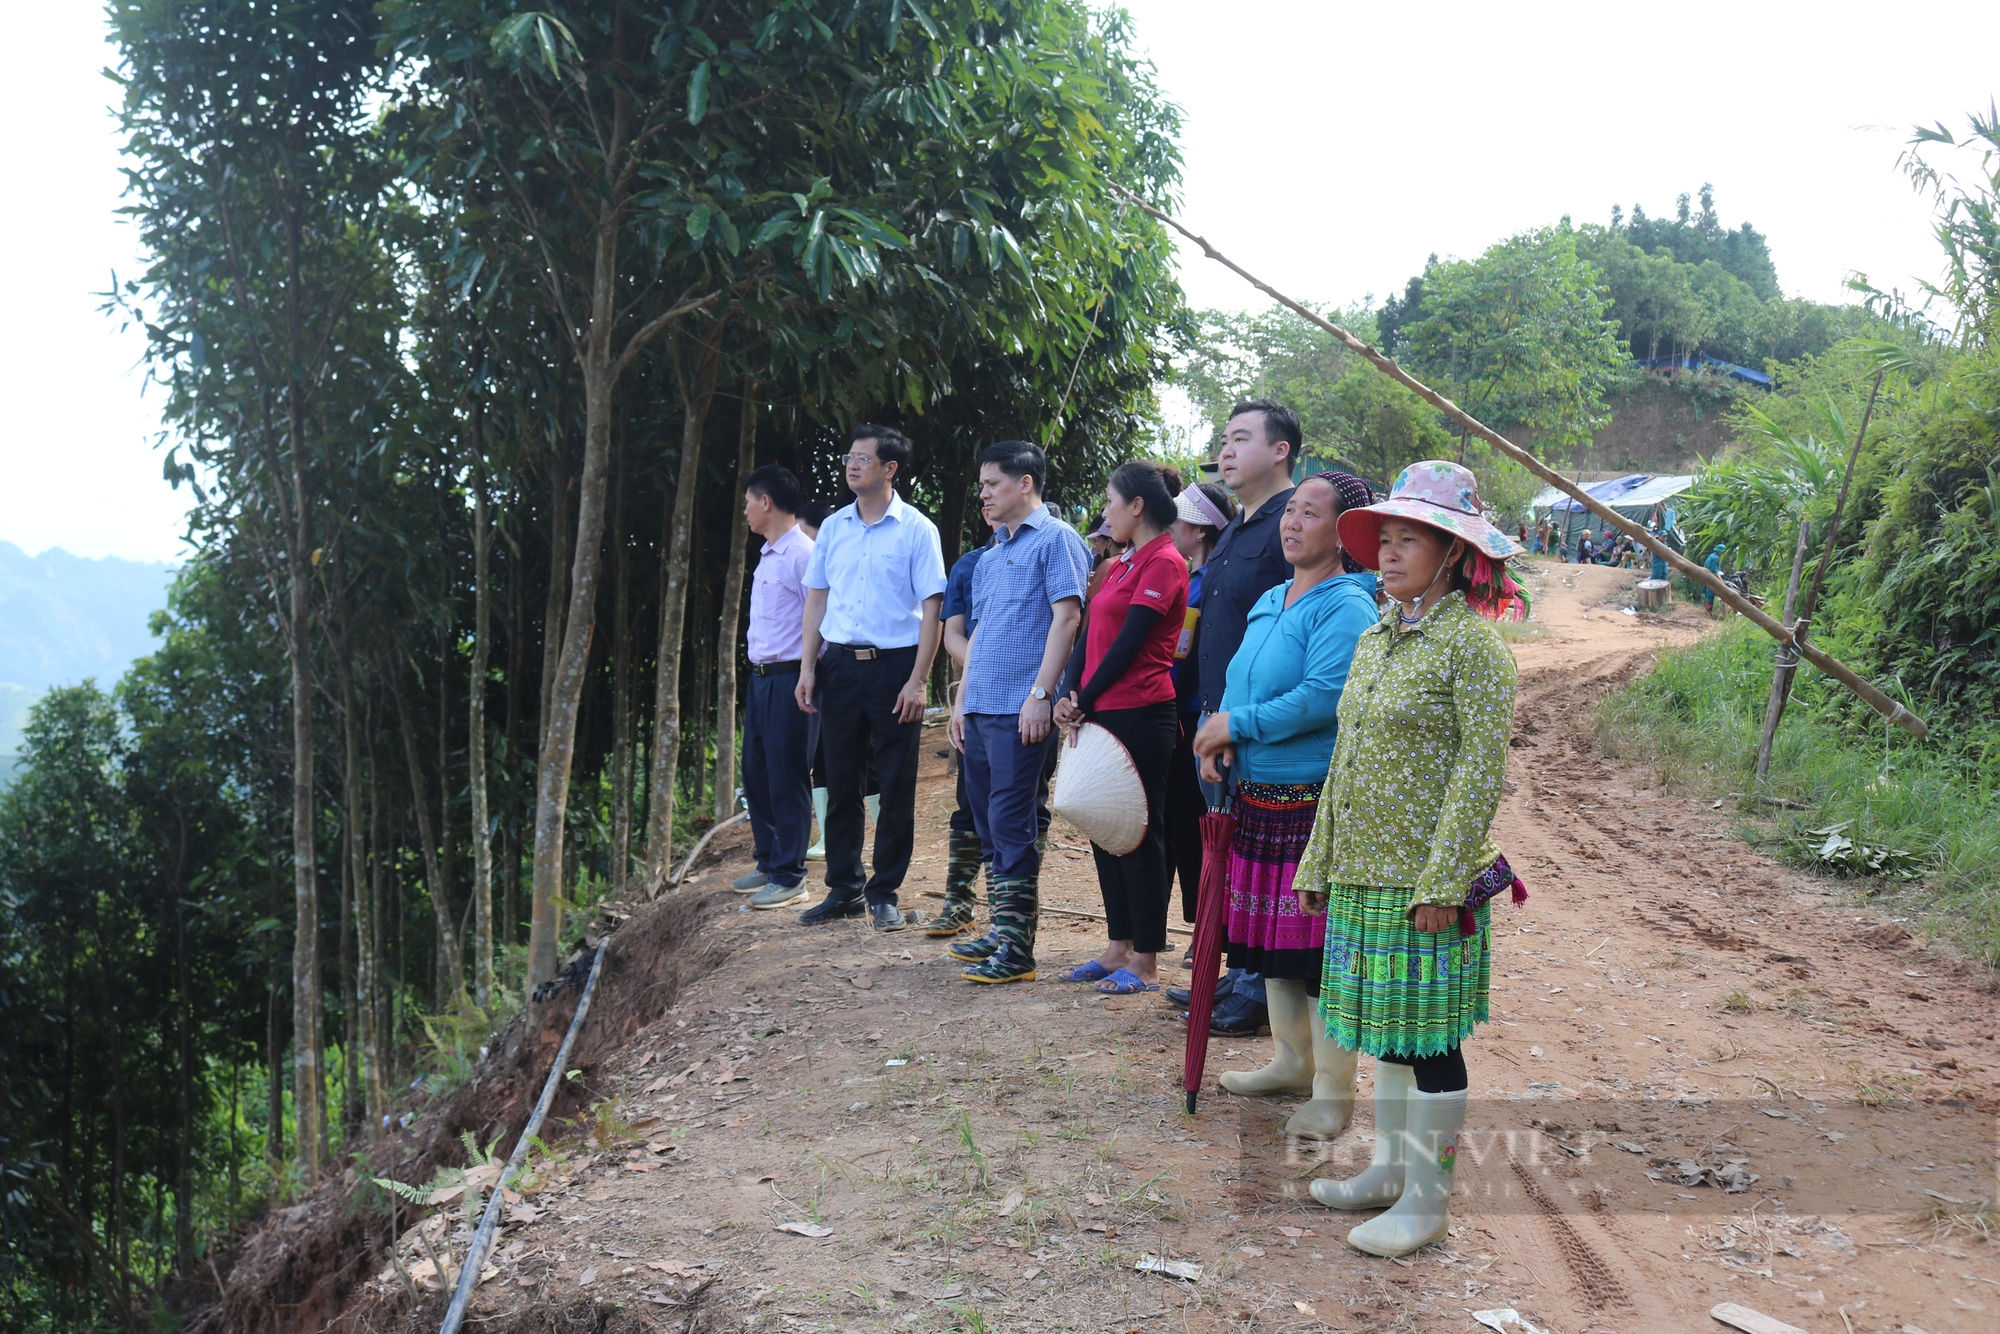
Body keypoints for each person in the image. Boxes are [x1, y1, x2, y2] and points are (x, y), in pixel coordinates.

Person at [1295, 459, 1524, 1258]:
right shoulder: (1375, 638)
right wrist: (1317, 862)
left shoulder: (1474, 649)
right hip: (1363, 871)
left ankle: (1427, 1203)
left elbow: (1478, 774)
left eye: (1409, 542)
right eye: (1383, 540)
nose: (1388, 556)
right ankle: (1390, 1175)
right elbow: (1345, 758)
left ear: (1455, 554)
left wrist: (1443, 880)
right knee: (1386, 1032)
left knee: (1429, 1042)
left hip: (1425, 879)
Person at [1192, 471, 1379, 1140]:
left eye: (1310, 513)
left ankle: (1333, 1088)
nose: (1292, 523)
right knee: (1270, 939)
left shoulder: (1347, 606)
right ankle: (1291, 1061)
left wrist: (1235, 726)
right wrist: (1218, 733)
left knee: (1316, 950)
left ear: (1345, 533)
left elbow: (1322, 699)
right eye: (1290, 511)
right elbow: (1241, 683)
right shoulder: (1273, 596)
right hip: (1257, 794)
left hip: (1313, 798)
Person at [945, 442, 1090, 983]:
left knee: (1011, 821)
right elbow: (978, 637)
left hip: (1018, 708)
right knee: (987, 822)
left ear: (1025, 483)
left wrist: (1040, 695)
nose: (983, 493)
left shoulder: (1058, 541)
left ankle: (1018, 950)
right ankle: (1001, 930)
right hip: (980, 708)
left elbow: (1067, 620)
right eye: (982, 485)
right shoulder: (991, 554)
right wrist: (960, 702)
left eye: (992, 484)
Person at [795, 425, 947, 932]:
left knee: (896, 782)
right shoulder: (834, 527)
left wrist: (919, 680)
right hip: (838, 666)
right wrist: (808, 667)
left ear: (890, 469)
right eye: (849, 457)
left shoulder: (917, 529)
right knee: (838, 780)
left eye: (863, 458)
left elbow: (932, 610)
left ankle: (885, 891)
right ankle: (843, 888)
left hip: (895, 668)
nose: (851, 465)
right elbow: (817, 598)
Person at [1052, 461, 1187, 994]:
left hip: (1142, 711)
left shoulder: (1166, 563)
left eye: (1111, 500)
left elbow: (1132, 644)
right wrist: (1069, 692)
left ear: (1137, 506)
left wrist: (1083, 697)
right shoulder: (1120, 566)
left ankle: (1147, 959)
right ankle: (1117, 947)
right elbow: (1088, 639)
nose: (1105, 510)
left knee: (1140, 832)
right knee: (1105, 827)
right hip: (1100, 707)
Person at [1196, 399, 1303, 1034]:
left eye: (1241, 438)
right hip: (1216, 717)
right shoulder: (1237, 529)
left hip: (1258, 725)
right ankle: (1233, 977)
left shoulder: (1293, 528)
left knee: (1262, 856)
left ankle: (1259, 993)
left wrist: (1239, 721)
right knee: (1228, 857)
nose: (1226, 451)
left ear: (1281, 449)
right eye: (1224, 440)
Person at [730, 466, 820, 909]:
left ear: (766, 502)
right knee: (757, 773)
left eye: (748, 500)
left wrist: (809, 673)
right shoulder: (769, 554)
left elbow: (819, 618)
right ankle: (768, 860)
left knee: (787, 776)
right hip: (762, 679)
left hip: (791, 679)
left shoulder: (803, 554)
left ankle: (790, 876)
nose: (745, 509)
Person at [1165, 482, 1237, 947]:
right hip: (1183, 709)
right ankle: (1201, 926)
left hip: (1194, 715)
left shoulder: (1208, 582)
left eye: (1177, 521)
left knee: (1202, 823)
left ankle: (1209, 930)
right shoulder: (1193, 578)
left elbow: (1187, 656)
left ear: (1198, 530)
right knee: (1185, 824)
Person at [926, 512, 999, 940]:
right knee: (969, 802)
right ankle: (959, 903)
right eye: (983, 491)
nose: (988, 500)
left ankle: (1009, 917)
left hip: (1026, 698)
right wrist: (978, 661)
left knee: (1023, 809)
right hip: (975, 696)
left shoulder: (1049, 552)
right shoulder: (969, 566)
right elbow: (952, 631)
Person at [1703, 542, 1726, 616]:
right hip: (1710, 578)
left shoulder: (1711, 556)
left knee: (1707, 594)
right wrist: (1721, 580)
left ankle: (1707, 611)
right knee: (1710, 594)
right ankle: (1709, 613)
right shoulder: (1716, 558)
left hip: (1705, 576)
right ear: (1720, 551)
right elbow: (1714, 571)